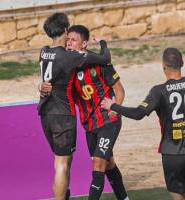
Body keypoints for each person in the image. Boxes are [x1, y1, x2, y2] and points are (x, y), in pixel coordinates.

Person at [101, 47, 185, 200]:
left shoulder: (158, 91)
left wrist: (113, 106)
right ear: (182, 63)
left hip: (172, 154)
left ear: (163, 66)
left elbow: (138, 114)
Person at [38, 13, 110, 200]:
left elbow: (46, 81)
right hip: (63, 115)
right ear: (65, 30)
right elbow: (104, 59)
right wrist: (103, 43)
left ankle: (64, 194)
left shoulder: (43, 51)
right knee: (62, 163)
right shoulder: (68, 56)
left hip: (45, 113)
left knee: (60, 161)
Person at [66, 25, 129, 200]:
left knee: (99, 164)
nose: (69, 43)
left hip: (108, 122)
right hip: (89, 125)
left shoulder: (100, 63)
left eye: (73, 40)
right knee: (108, 164)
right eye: (67, 40)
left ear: (84, 44)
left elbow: (120, 90)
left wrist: (115, 108)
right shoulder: (67, 68)